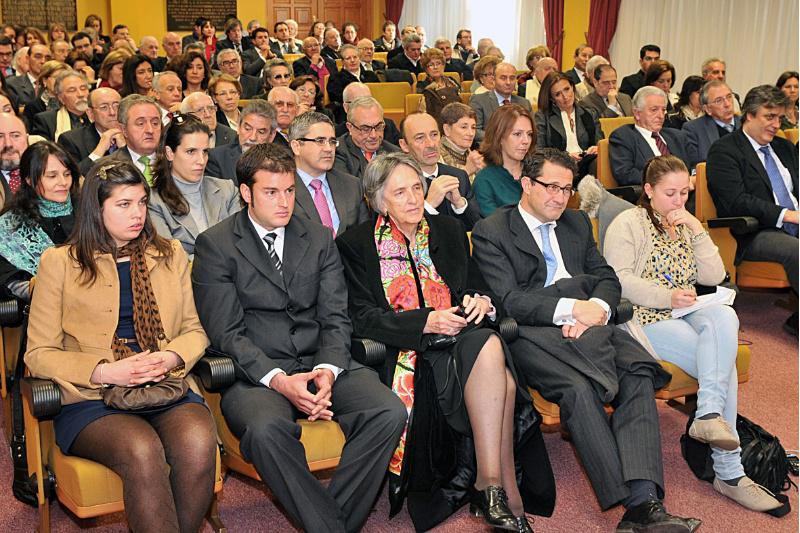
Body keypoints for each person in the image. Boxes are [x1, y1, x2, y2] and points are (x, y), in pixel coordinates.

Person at [471, 148, 702, 533]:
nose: (560, 197)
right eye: (551, 187)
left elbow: (607, 278)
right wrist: (570, 307)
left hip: (592, 325)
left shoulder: (576, 223)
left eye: (567, 188)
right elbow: (509, 300)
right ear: (526, 185)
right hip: (531, 335)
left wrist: (593, 307)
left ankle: (645, 502)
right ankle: (631, 504)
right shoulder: (493, 230)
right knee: (578, 388)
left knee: (638, 376)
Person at [191, 142, 406, 532]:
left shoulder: (319, 237)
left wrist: (327, 369)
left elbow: (335, 316)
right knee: (265, 431)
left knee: (388, 410)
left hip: (320, 360)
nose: (284, 202)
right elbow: (226, 332)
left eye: (290, 191)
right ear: (246, 193)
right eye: (271, 192)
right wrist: (278, 380)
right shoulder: (217, 245)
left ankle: (325, 523)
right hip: (257, 374)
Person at [336, 151, 555, 532]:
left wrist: (479, 301)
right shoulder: (356, 244)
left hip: (463, 338)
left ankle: (490, 488)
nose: (413, 199)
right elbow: (362, 317)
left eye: (417, 188)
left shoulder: (448, 232)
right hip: (411, 349)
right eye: (400, 192)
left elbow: (478, 288)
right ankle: (502, 494)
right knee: (500, 375)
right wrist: (426, 322)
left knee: (486, 342)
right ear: (377, 200)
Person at [25, 158, 217, 533]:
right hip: (92, 397)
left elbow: (195, 330)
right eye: (124, 205)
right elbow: (38, 354)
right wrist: (104, 371)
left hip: (163, 383)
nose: (138, 214)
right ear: (96, 210)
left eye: (142, 202)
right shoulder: (60, 263)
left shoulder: (169, 254)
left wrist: (170, 356)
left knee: (198, 441)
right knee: (141, 450)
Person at [603, 154, 783, 512]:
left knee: (724, 317)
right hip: (645, 317)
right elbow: (617, 279)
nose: (679, 201)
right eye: (671, 193)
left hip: (687, 309)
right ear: (649, 190)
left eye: (685, 193)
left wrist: (698, 231)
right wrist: (665, 296)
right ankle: (729, 473)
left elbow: (714, 275)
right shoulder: (628, 222)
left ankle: (708, 418)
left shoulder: (685, 224)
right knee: (723, 361)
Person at [706, 85, 798, 335]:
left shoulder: (785, 147)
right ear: (749, 115)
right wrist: (786, 215)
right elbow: (737, 201)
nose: (776, 124)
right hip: (754, 231)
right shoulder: (725, 150)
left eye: (780, 117)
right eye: (769, 116)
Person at [149, 114, 239, 257]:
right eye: (191, 152)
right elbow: (170, 258)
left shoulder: (227, 190)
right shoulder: (153, 202)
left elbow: (241, 245)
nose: (201, 161)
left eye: (205, 152)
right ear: (169, 153)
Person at [0, 141, 79, 300]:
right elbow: (10, 279)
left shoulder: (89, 210)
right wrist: (45, 290)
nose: (63, 182)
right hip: (41, 308)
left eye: (67, 174)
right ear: (29, 179)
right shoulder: (11, 226)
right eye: (52, 176)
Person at [288, 111, 367, 235]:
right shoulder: (282, 188)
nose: (329, 149)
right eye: (320, 141)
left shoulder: (352, 185)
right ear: (296, 146)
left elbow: (364, 236)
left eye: (332, 142)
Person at [399, 112, 481, 229]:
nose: (431, 144)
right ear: (404, 145)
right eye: (420, 138)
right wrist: (429, 205)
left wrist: (459, 205)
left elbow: (477, 229)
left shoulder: (458, 176)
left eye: (434, 135)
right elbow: (398, 235)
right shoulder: (398, 184)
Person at [609, 86, 691, 187]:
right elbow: (625, 174)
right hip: (648, 195)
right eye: (654, 110)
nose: (661, 115)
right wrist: (666, 180)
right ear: (637, 113)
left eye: (663, 110)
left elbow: (693, 165)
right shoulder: (623, 137)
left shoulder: (677, 136)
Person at [535, 72, 602, 181]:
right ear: (552, 99)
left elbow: (601, 143)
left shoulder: (590, 113)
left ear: (573, 87)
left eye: (567, 89)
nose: (565, 96)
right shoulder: (542, 117)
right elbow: (539, 150)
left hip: (588, 162)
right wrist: (565, 156)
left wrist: (596, 148)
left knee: (600, 162)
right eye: (558, 94)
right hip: (559, 165)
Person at [472, 104, 535, 217]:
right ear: (499, 137)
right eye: (517, 134)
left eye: (529, 134)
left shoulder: (537, 172)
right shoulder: (484, 181)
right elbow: (495, 227)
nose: (526, 141)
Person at [206, 100, 277, 182]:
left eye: (261, 132)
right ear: (238, 127)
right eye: (247, 129)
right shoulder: (216, 158)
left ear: (271, 135)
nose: (252, 137)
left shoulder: (280, 162)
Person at [60, 87, 125, 175]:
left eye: (117, 106)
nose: (112, 112)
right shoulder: (71, 140)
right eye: (104, 107)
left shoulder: (134, 135)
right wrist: (99, 149)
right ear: (90, 113)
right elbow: (73, 177)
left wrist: (125, 150)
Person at [334, 96, 400, 179]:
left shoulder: (394, 153)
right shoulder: (337, 152)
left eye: (378, 126)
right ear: (350, 127)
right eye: (365, 129)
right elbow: (349, 188)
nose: (374, 135)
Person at [683, 80, 741, 167]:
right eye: (719, 100)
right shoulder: (693, 130)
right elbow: (693, 167)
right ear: (707, 109)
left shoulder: (747, 124)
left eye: (729, 97)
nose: (727, 104)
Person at [471, 62, 532, 143]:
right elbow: (475, 130)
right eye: (503, 78)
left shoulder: (524, 103)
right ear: (493, 80)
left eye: (512, 78)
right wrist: (502, 139)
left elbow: (532, 131)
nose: (508, 82)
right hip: (491, 149)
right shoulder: (479, 100)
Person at [112, 94, 163, 186]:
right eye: (140, 124)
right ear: (123, 129)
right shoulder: (111, 167)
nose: (150, 130)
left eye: (155, 123)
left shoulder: (174, 161)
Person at [31, 70, 90, 141]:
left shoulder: (99, 114)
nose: (80, 94)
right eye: (72, 90)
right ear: (61, 98)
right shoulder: (46, 121)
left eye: (83, 88)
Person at [438, 102, 485, 182]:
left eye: (473, 128)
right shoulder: (436, 157)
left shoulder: (474, 156)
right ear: (447, 129)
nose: (471, 133)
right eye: (464, 127)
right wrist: (467, 171)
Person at [414, 48, 461, 121]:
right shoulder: (422, 85)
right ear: (426, 69)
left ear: (443, 65)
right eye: (431, 65)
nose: (435, 67)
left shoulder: (452, 81)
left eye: (438, 63)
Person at [0, 112, 28, 208]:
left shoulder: (44, 170)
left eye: (15, 135)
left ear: (27, 139)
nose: (8, 144)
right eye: (0, 137)